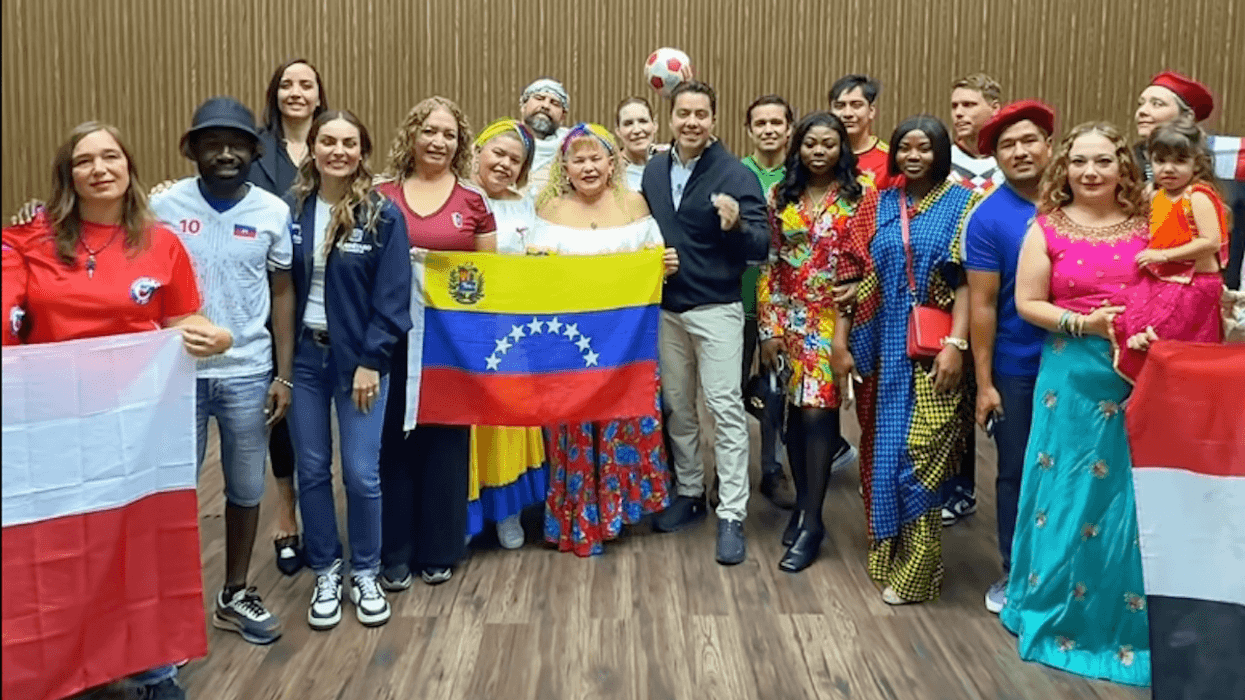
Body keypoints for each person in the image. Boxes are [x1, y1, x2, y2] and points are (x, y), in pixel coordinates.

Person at [3, 121, 232, 700]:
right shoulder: (30, 239)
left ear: (129, 168)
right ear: (68, 175)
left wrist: (217, 338)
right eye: (85, 160)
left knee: (138, 545)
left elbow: (183, 320)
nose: (100, 168)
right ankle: (61, 664)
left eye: (111, 157)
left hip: (135, 424)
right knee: (56, 547)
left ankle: (154, 668)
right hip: (51, 423)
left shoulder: (161, 243)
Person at [1005, 122, 1151, 686]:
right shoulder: (1046, 228)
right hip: (1071, 371)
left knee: (1125, 496)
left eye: (1103, 161)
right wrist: (1084, 322)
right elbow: (1026, 302)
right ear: (1064, 167)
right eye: (1080, 161)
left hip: (1135, 374)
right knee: (1064, 487)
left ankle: (1121, 620)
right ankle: (1053, 608)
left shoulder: (1149, 226)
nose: (1090, 172)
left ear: (1123, 167)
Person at [148, 96, 294, 646]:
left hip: (247, 371)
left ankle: (235, 592)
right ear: (193, 151)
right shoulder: (162, 208)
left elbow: (283, 294)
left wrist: (281, 374)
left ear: (254, 152)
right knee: (171, 489)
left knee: (245, 486)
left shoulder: (272, 212)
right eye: (213, 143)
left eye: (237, 144)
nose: (226, 153)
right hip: (175, 373)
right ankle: (170, 603)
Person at [830, 115, 977, 605]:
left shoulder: (964, 205)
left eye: (925, 148)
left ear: (942, 152)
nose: (914, 157)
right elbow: (852, 277)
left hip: (939, 349)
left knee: (923, 457)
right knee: (883, 453)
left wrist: (957, 347)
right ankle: (887, 552)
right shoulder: (878, 204)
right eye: (905, 149)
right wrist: (842, 342)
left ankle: (920, 570)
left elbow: (969, 284)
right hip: (885, 346)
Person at [287, 110, 412, 631]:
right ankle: (326, 568)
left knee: (361, 474)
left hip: (359, 363)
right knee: (312, 471)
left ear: (362, 151)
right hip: (303, 360)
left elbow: (393, 298)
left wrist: (370, 362)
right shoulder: (289, 209)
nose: (338, 150)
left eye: (349, 143)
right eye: (328, 141)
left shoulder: (382, 214)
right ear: (313, 148)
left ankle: (365, 569)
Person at [528, 122, 678, 556]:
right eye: (579, 159)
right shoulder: (549, 208)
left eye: (597, 158)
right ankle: (573, 516)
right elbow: (535, 273)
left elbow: (655, 264)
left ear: (612, 163)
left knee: (621, 426)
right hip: (567, 347)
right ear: (566, 166)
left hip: (626, 345)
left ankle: (614, 511)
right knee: (572, 428)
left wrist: (663, 264)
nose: (589, 167)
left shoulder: (635, 204)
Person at [642, 81, 770, 566]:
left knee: (725, 409)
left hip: (717, 310)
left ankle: (732, 512)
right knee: (677, 406)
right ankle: (690, 492)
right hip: (666, 310)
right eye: (684, 113)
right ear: (670, 117)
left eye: (701, 114)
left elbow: (760, 246)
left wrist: (736, 224)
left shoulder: (734, 174)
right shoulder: (654, 169)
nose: (692, 122)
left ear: (713, 120)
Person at [376, 96, 496, 588]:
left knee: (445, 444)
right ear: (412, 135)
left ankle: (439, 548)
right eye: (429, 131)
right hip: (391, 339)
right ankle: (394, 550)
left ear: (459, 142)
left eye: (448, 134)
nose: (438, 141)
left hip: (451, 345)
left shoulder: (473, 202)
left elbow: (491, 280)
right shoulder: (379, 195)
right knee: (392, 442)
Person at [758, 111, 870, 572]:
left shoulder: (861, 197)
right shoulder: (780, 195)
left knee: (818, 416)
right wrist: (768, 329)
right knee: (794, 420)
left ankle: (812, 521)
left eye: (828, 143)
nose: (819, 151)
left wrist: (859, 289)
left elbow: (870, 260)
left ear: (842, 148)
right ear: (797, 148)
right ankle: (805, 506)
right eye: (810, 143)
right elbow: (768, 262)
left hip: (835, 322)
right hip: (789, 318)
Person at [963, 100, 1056, 613]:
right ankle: (1015, 573)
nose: (1020, 152)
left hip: (1083, 364)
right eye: (1007, 146)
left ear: (1049, 146)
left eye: (1028, 141)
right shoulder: (989, 217)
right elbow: (980, 306)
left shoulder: (1082, 203)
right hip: (1018, 365)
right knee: (1016, 470)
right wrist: (985, 382)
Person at [249, 59, 329, 575]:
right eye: (286, 85)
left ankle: (330, 510)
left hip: (325, 293)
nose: (295, 92)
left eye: (306, 84)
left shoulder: (334, 142)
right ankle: (287, 511)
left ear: (320, 96)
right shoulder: (252, 148)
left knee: (328, 414)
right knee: (278, 397)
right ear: (274, 94)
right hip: (268, 292)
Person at [466, 117, 546, 549]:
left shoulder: (526, 206)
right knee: (467, 426)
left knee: (510, 423)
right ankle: (464, 515)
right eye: (498, 153)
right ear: (478, 151)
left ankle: (508, 512)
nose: (504, 164)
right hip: (460, 335)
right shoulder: (455, 196)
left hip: (513, 334)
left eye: (515, 160)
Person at [1112, 118, 1228, 380]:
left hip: (1195, 286)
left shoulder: (1196, 196)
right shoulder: (1156, 195)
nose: (1169, 169)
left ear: (1196, 163)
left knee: (1176, 351)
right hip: (1164, 281)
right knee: (1125, 317)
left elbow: (1210, 241)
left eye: (1179, 161)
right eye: (1161, 161)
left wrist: (1163, 255)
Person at [742, 94, 797, 509]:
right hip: (736, 298)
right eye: (760, 123)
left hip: (786, 303)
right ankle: (727, 474)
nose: (768, 129)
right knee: (729, 393)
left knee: (777, 390)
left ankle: (772, 469)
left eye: (776, 122)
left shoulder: (800, 176)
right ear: (749, 130)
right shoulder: (735, 173)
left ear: (789, 128)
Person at [829, 74, 897, 189]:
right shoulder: (820, 156)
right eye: (839, 106)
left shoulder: (889, 161)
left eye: (856, 105)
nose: (847, 114)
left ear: (871, 111)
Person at [949, 73, 1004, 193]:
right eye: (954, 106)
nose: (958, 113)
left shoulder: (1010, 160)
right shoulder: (940, 161)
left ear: (994, 109)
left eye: (968, 105)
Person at [519, 78, 571, 193]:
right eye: (539, 98)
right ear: (523, 105)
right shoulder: (501, 141)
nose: (546, 106)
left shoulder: (572, 149)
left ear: (563, 116)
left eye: (555, 103)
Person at [615, 97, 659, 192]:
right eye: (628, 123)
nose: (637, 130)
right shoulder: (611, 171)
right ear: (618, 131)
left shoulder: (669, 162)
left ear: (655, 125)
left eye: (643, 121)